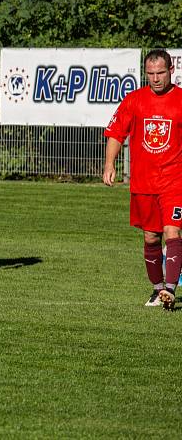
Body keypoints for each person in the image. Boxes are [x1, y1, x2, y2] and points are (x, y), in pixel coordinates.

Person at [104, 49, 182, 310]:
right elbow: (116, 132)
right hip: (144, 182)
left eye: (160, 73)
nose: (156, 78)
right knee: (151, 237)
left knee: (173, 230)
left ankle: (171, 289)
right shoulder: (134, 100)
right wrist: (109, 163)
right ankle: (158, 289)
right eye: (150, 74)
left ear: (171, 70)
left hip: (174, 180)